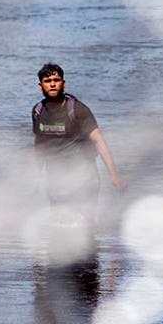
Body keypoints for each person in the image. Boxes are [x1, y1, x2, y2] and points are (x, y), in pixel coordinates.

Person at [31, 63, 125, 225]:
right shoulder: (38, 111)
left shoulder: (78, 110)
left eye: (56, 80)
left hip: (83, 178)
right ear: (41, 86)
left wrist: (114, 175)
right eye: (47, 81)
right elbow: (39, 144)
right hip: (55, 178)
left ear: (63, 83)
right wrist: (35, 175)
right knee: (59, 225)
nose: (52, 84)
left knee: (84, 226)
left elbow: (99, 141)